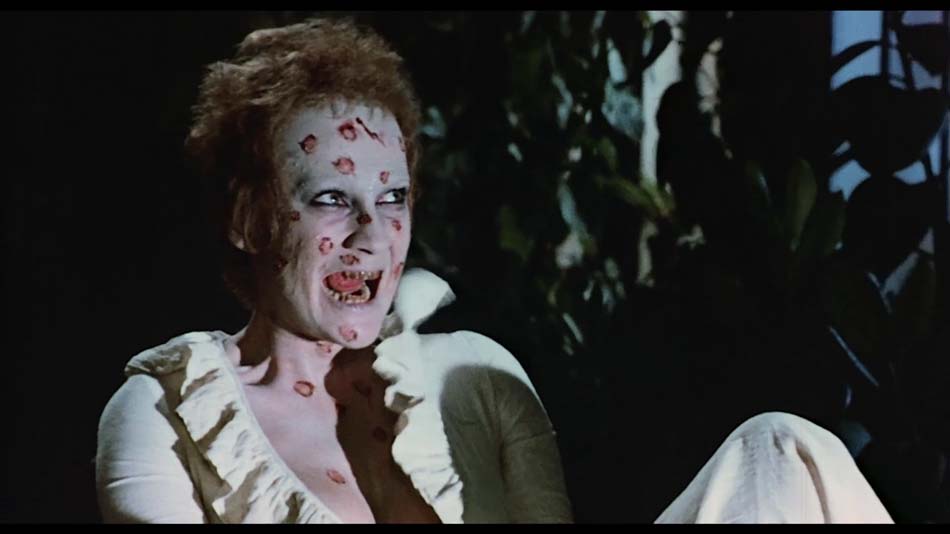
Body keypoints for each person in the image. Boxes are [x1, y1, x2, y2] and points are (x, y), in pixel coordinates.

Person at [95, 18, 572, 524]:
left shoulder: (478, 377)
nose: (373, 237)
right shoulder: (165, 410)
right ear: (247, 221)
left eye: (392, 198)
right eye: (331, 198)